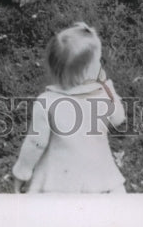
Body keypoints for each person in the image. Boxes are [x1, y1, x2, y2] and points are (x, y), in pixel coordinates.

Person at [11, 22, 126, 194]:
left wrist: (22, 172)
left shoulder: (46, 102)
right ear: (89, 71)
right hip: (99, 179)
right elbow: (118, 119)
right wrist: (109, 89)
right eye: (98, 61)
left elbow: (35, 143)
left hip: (58, 181)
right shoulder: (102, 95)